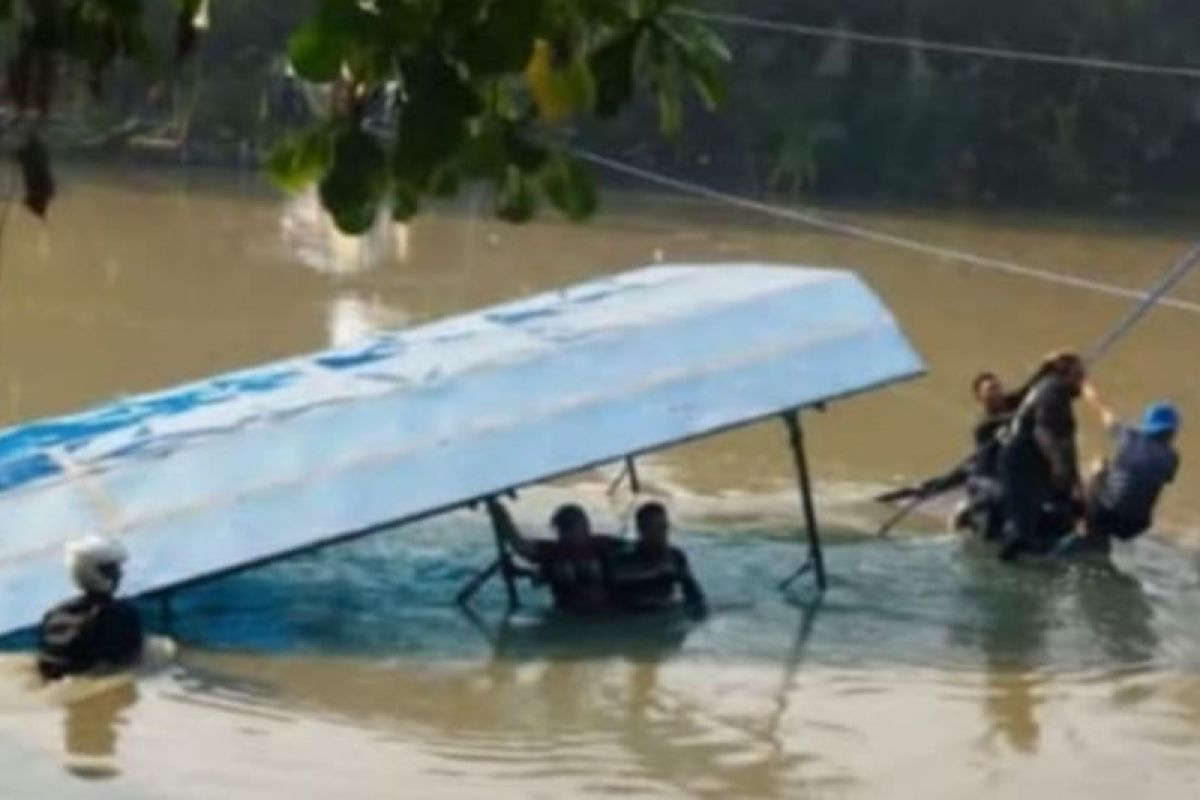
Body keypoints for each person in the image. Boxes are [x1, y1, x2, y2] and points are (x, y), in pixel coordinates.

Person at [998, 352, 1087, 560]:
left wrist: (1074, 480)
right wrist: (1058, 466)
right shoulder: (1053, 390)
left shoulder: (1049, 387)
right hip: (1022, 460)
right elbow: (1043, 431)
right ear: (1065, 375)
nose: (1082, 382)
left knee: (1031, 524)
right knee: (1021, 529)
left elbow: (1065, 441)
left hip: (1029, 459)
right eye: (1079, 376)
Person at [1077, 387, 1181, 548]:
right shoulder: (1172, 458)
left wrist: (1087, 391)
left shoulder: (1129, 438)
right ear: (1173, 430)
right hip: (1134, 527)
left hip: (1104, 514)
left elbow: (1105, 414)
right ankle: (1099, 534)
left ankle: (1086, 526)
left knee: (1098, 466)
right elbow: (1161, 478)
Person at [486, 497, 621, 614]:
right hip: (567, 615)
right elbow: (519, 545)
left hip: (606, 612)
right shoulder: (553, 551)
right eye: (563, 530)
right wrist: (499, 513)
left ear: (586, 527)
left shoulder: (605, 545)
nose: (568, 535)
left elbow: (638, 549)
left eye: (572, 527)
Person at [38, 535, 145, 681]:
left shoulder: (53, 614)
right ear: (98, 573)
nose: (120, 574)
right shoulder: (120, 614)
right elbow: (129, 660)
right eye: (112, 569)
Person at [603, 502, 707, 619]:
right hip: (631, 615)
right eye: (655, 528)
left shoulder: (675, 556)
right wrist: (657, 571)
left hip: (665, 612)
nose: (661, 534)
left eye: (663, 527)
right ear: (641, 530)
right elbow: (615, 580)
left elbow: (692, 591)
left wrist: (699, 612)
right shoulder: (625, 556)